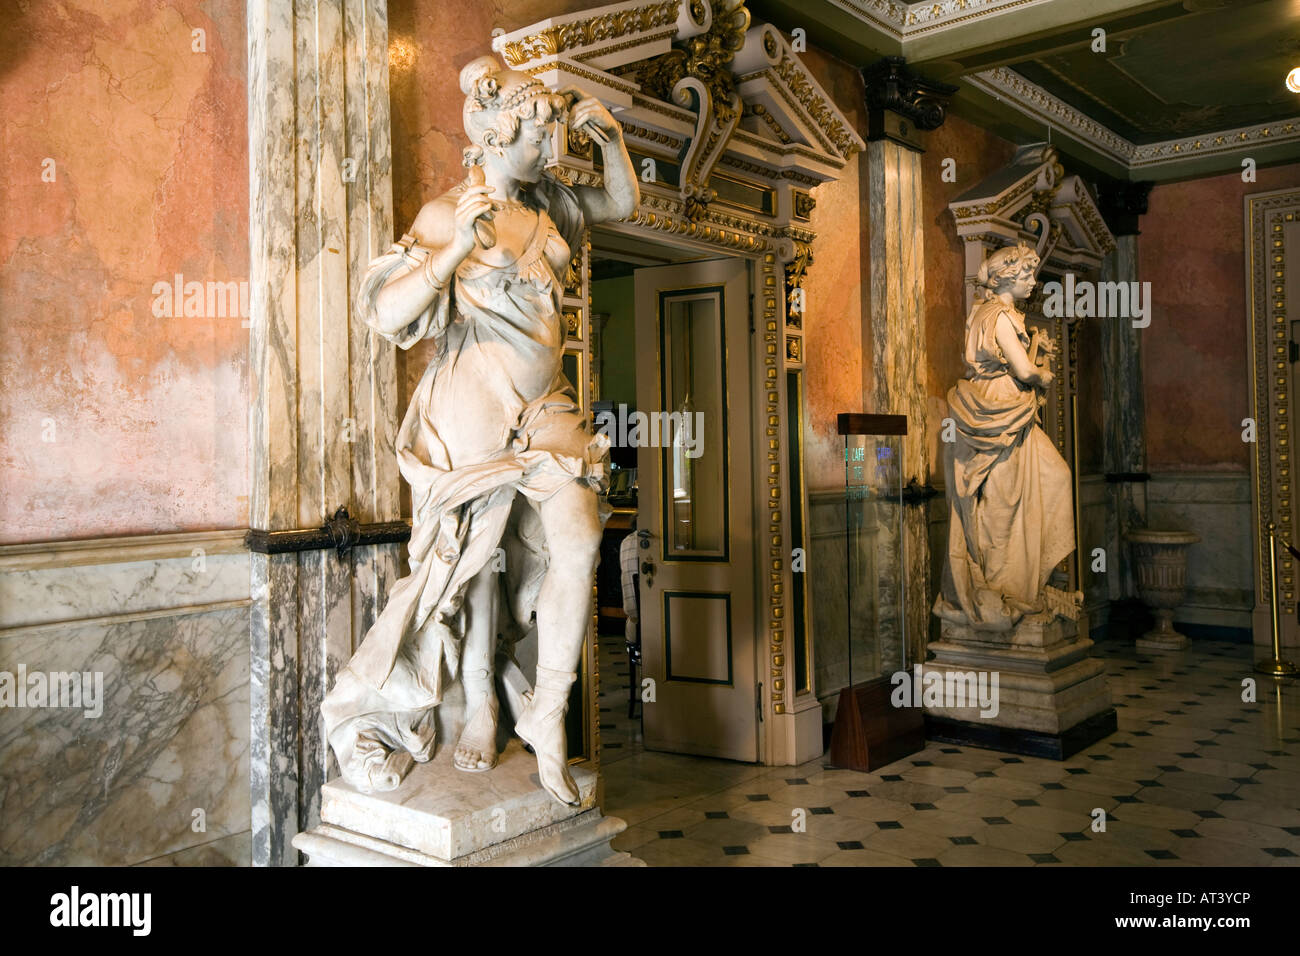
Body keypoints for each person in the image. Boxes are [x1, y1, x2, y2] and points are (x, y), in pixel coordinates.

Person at [320, 55, 640, 806]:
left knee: (581, 536)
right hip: (473, 397)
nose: (550, 149)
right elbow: (387, 315)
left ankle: (548, 712)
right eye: (540, 136)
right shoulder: (446, 214)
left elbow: (620, 204)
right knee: (476, 558)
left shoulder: (551, 208)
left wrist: (615, 140)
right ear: (500, 137)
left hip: (547, 406)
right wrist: (457, 251)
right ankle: (481, 704)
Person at [934, 242, 1077, 631]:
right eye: (1027, 275)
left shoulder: (1008, 314)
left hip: (1014, 411)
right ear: (1007, 277)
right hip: (996, 410)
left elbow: (1020, 363)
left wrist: (1035, 351)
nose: (1033, 281)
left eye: (1032, 274)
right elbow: (1024, 371)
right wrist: (1041, 372)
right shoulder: (995, 314)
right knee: (1002, 502)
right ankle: (1005, 586)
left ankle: (1028, 581)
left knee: (1053, 477)